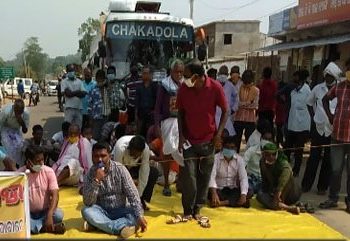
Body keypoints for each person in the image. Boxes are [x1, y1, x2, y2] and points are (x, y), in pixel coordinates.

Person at [177, 59, 228, 220]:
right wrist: (181, 136)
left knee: (204, 177)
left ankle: (198, 209)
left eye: (186, 76)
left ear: (198, 77)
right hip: (189, 141)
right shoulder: (184, 88)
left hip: (208, 141)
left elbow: (226, 111)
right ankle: (187, 210)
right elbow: (180, 113)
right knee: (188, 178)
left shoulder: (215, 87)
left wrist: (218, 135)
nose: (183, 79)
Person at [81, 142, 147, 238]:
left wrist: (140, 216)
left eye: (103, 156)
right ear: (92, 157)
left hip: (121, 210)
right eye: (96, 156)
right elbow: (88, 202)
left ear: (110, 156)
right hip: (102, 210)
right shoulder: (89, 174)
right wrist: (96, 181)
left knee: (135, 214)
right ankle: (120, 228)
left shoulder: (120, 169)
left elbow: (132, 194)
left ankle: (99, 226)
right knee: (86, 211)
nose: (99, 159)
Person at [302, 62, 342, 194]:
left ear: (335, 77)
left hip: (331, 129)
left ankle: (322, 187)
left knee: (327, 161)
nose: (328, 78)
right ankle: (306, 185)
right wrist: (313, 117)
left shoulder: (339, 90)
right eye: (326, 76)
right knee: (313, 158)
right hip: (318, 128)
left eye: (331, 76)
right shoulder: (318, 88)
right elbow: (309, 103)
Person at [319, 59, 350, 213]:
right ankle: (333, 198)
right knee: (336, 170)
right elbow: (325, 100)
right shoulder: (340, 87)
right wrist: (331, 116)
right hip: (337, 135)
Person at [154, 59, 185, 196]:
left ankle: (181, 182)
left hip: (182, 122)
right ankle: (166, 183)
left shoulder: (186, 85)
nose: (179, 74)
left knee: (184, 152)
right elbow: (158, 107)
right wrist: (156, 124)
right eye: (176, 71)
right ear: (171, 71)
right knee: (167, 152)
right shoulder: (164, 85)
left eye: (181, 72)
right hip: (168, 122)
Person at [18, 146, 65, 234]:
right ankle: (47, 228)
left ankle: (35, 228)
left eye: (42, 160)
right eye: (38, 161)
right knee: (18, 219)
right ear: (28, 161)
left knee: (58, 215)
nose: (41, 163)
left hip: (45, 212)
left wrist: (50, 214)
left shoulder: (49, 171)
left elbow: (55, 195)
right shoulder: (20, 175)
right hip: (28, 214)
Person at [113, 135, 159, 210]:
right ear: (129, 149)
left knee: (153, 172)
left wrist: (138, 197)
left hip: (135, 167)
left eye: (136, 155)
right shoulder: (120, 148)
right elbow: (117, 173)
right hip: (122, 167)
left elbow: (144, 172)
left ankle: (142, 199)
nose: (134, 156)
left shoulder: (145, 150)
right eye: (132, 154)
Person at [257, 143, 302, 215]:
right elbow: (265, 181)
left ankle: (279, 204)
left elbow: (285, 177)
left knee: (287, 178)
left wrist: (278, 192)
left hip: (290, 193)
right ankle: (288, 208)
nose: (271, 157)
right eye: (267, 154)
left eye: (273, 154)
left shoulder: (283, 163)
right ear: (263, 154)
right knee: (259, 195)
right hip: (274, 192)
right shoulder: (262, 162)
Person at [209, 136, 252, 208]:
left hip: (232, 189)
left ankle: (222, 203)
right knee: (208, 192)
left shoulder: (239, 159)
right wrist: (214, 193)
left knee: (249, 192)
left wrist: (243, 195)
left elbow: (243, 178)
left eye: (232, 147)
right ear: (222, 147)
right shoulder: (215, 158)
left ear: (235, 149)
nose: (229, 149)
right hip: (219, 189)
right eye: (227, 147)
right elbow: (211, 177)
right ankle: (234, 202)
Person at [284, 70, 311, 177]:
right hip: (291, 125)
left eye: (295, 77)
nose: (293, 80)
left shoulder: (308, 92)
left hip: (302, 126)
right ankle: (285, 168)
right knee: (287, 149)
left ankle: (296, 171)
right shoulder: (293, 92)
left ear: (300, 79)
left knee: (298, 151)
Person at [52, 124, 92, 188]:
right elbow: (60, 159)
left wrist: (90, 180)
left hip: (76, 174)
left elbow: (89, 162)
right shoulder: (66, 142)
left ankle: (55, 184)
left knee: (73, 162)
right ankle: (56, 182)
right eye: (71, 133)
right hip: (61, 173)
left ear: (79, 133)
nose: (73, 135)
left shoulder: (84, 142)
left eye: (75, 133)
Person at [234, 70, 260, 153]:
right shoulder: (238, 88)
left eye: (248, 77)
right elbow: (237, 103)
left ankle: (248, 160)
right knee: (236, 141)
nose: (246, 79)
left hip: (250, 119)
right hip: (238, 118)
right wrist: (249, 103)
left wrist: (243, 104)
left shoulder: (256, 90)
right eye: (245, 77)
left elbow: (255, 105)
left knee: (250, 141)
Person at [0, 99, 29, 167]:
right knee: (9, 148)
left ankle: (18, 165)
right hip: (5, 129)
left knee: (20, 146)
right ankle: (11, 165)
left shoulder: (26, 114)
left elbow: (25, 131)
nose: (18, 114)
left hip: (16, 130)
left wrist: (21, 122)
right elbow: (0, 124)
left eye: (20, 112)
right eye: (17, 112)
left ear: (23, 110)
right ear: (13, 108)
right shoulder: (6, 111)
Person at [88, 69, 111, 140]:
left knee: (105, 136)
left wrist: (106, 84)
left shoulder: (108, 89)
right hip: (96, 117)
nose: (100, 81)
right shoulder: (93, 90)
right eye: (99, 79)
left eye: (102, 79)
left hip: (106, 116)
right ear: (96, 79)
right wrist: (90, 118)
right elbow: (90, 104)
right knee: (95, 136)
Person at [61, 64, 86, 129]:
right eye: (69, 71)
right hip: (69, 108)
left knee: (78, 128)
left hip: (79, 108)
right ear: (67, 71)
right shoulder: (64, 82)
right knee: (68, 128)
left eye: (72, 70)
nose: (71, 72)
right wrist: (78, 92)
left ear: (74, 71)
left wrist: (72, 93)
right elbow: (67, 94)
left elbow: (83, 94)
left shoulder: (79, 82)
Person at [135, 66, 158, 138]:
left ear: (150, 74)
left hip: (151, 115)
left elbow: (157, 101)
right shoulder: (139, 87)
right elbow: (137, 103)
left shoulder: (155, 86)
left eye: (146, 73)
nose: (144, 75)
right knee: (140, 135)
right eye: (143, 73)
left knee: (150, 135)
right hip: (141, 115)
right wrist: (136, 115)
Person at [216, 65, 238, 137]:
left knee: (228, 135)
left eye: (225, 74)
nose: (223, 75)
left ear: (228, 75)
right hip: (215, 114)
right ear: (218, 74)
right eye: (221, 73)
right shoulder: (214, 84)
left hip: (226, 115)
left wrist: (233, 109)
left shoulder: (230, 85)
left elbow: (237, 98)